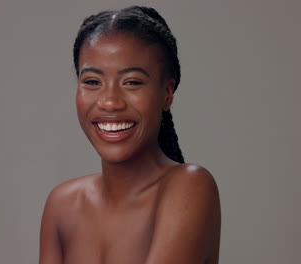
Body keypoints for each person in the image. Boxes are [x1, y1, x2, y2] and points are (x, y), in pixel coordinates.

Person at [39, 6, 221, 264]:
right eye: (92, 81)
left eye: (132, 82)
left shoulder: (190, 187)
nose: (110, 102)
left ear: (167, 93)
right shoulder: (62, 204)